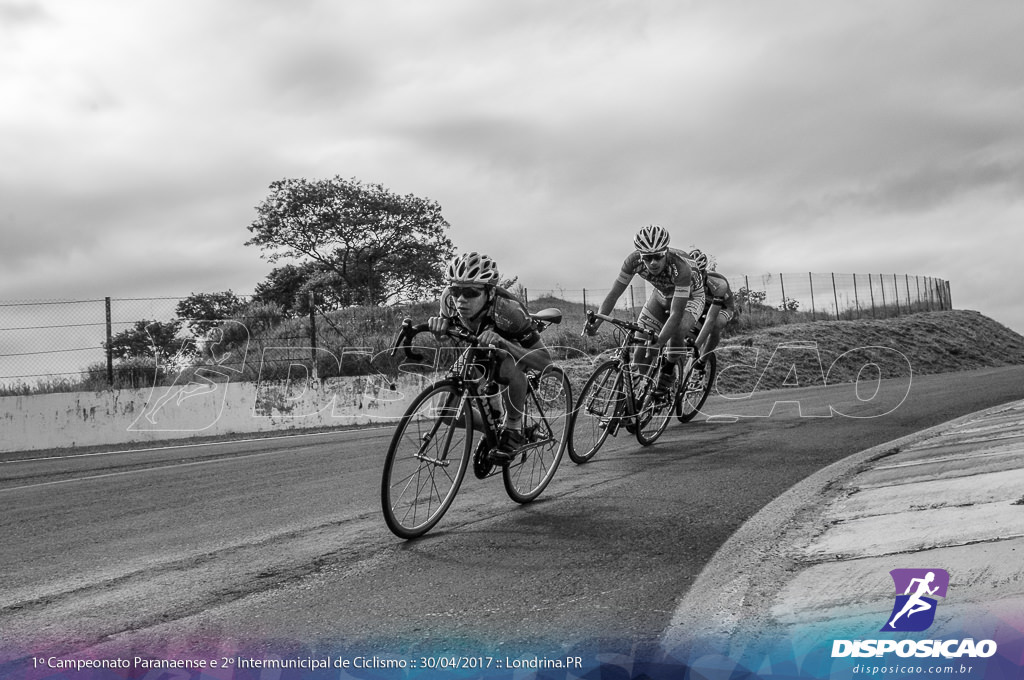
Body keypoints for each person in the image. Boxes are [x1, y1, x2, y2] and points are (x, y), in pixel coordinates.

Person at [428, 252, 553, 463]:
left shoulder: (509, 311)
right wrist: (439, 332)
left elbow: (544, 361)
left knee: (506, 366)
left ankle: (513, 427)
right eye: (456, 290)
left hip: (512, 346)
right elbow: (446, 331)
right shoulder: (448, 301)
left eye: (470, 292)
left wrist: (504, 343)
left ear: (489, 292)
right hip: (479, 347)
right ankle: (492, 431)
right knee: (444, 411)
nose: (461, 299)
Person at [584, 224, 705, 397]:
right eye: (648, 258)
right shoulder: (632, 261)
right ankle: (637, 395)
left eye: (658, 256)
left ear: (666, 252)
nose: (653, 262)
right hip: (662, 294)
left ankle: (668, 371)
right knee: (640, 340)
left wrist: (659, 342)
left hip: (692, 297)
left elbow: (676, 314)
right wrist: (597, 322)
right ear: (641, 256)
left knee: (677, 331)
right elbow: (613, 295)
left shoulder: (680, 267)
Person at [687, 248, 736, 361]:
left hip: (724, 307)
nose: (695, 279)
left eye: (699, 275)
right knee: (689, 334)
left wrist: (697, 346)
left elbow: (711, 319)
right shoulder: (685, 281)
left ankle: (702, 362)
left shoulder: (716, 282)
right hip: (703, 306)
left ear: (704, 272)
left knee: (716, 324)